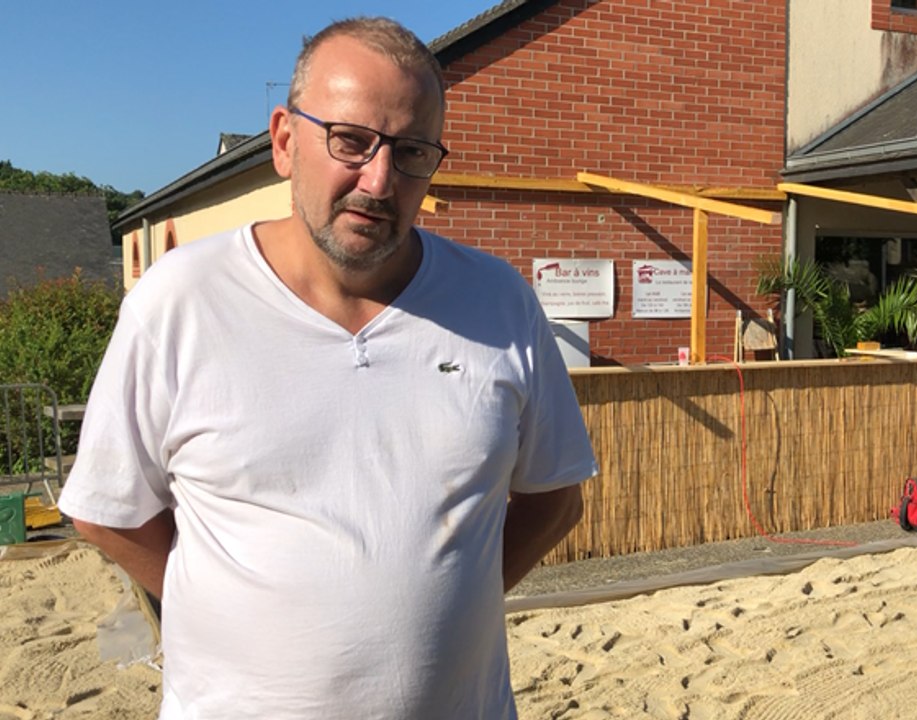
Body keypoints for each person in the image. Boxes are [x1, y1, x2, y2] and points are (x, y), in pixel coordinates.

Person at [58, 17, 597, 719]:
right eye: (351, 141)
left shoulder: (497, 303)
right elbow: (107, 514)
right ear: (285, 140)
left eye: (410, 152)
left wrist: (450, 597)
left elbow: (555, 497)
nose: (379, 179)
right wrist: (224, 606)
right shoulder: (181, 302)